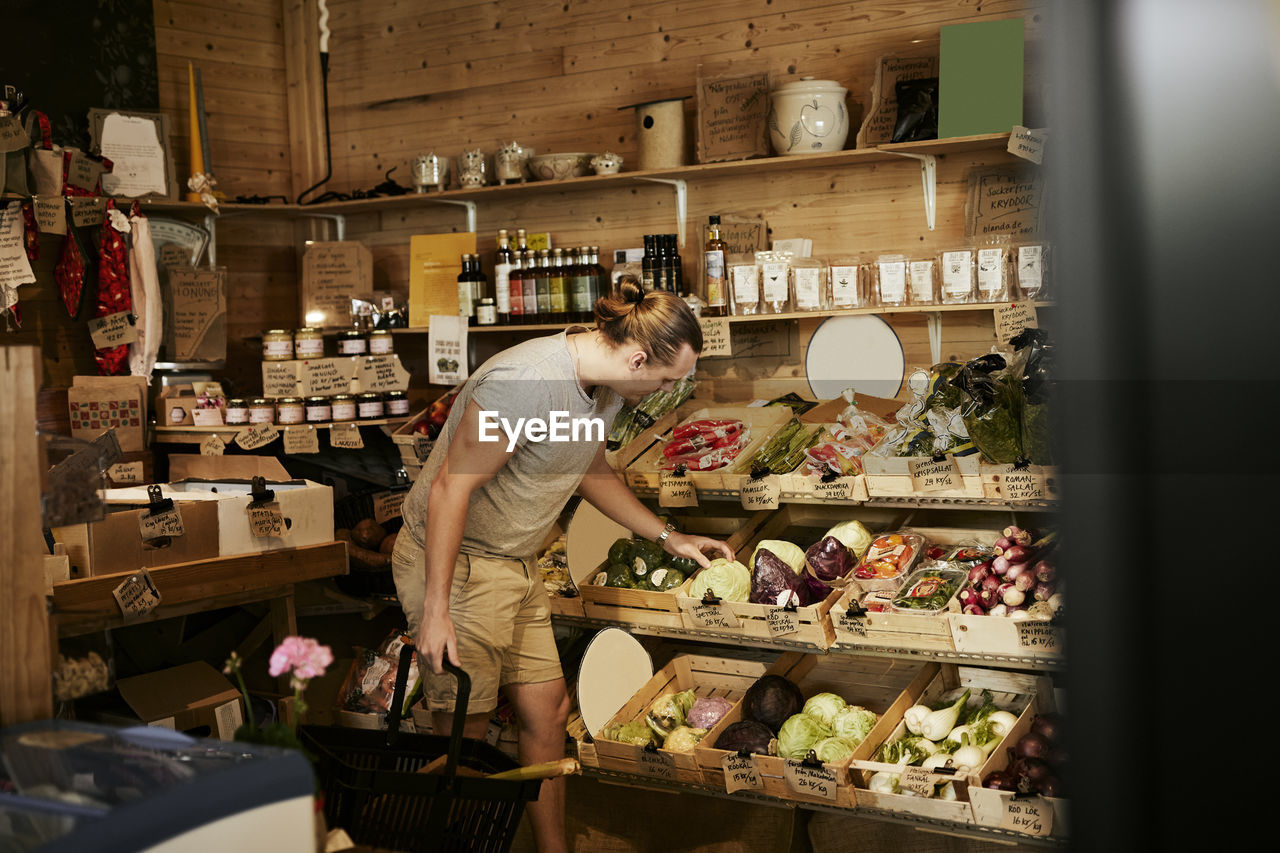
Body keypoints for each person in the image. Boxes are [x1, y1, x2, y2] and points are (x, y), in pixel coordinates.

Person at [392, 276, 733, 853]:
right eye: (667, 379)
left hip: (514, 564)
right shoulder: (524, 386)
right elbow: (451, 487)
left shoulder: (600, 389)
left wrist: (668, 537)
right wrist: (436, 609)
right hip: (459, 566)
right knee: (465, 737)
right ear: (637, 356)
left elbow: (590, 470)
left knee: (548, 710)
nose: (665, 391)